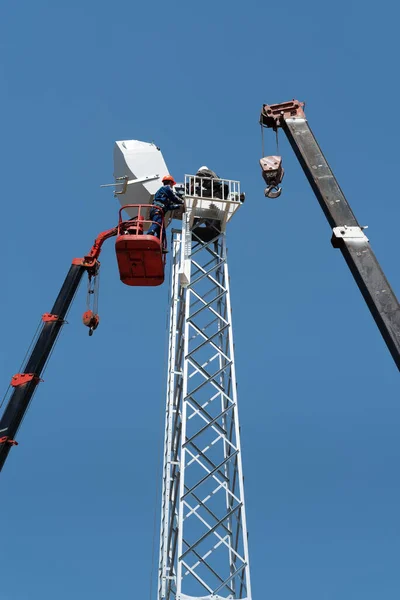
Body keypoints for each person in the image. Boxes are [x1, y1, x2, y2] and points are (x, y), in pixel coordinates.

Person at [147, 175, 184, 253]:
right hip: (157, 209)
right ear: (170, 182)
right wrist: (182, 201)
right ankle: (150, 234)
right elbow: (174, 197)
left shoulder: (165, 196)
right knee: (157, 223)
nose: (172, 185)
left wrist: (178, 206)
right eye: (172, 184)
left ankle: (160, 246)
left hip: (160, 210)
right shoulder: (166, 188)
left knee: (162, 231)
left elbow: (168, 207)